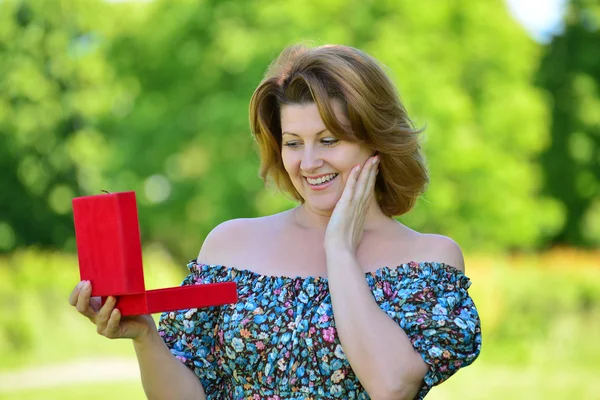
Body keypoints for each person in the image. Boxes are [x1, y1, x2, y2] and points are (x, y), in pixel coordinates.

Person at [69, 43, 481, 400]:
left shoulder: (428, 260)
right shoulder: (229, 246)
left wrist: (338, 248)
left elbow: (391, 387)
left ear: (375, 139)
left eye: (328, 140)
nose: (308, 163)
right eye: (293, 143)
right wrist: (145, 337)